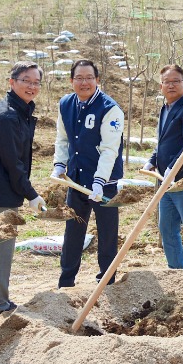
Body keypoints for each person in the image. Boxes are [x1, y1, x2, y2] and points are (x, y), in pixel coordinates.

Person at [0, 61, 46, 320]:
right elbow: (12, 163)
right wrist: (31, 194)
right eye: (26, 80)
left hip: (7, 189)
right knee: (1, 248)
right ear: (12, 82)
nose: (31, 86)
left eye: (36, 82)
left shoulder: (21, 112)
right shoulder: (6, 117)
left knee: (3, 247)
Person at [53, 59, 125, 287]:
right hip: (76, 180)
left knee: (106, 232)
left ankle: (106, 279)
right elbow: (63, 139)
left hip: (104, 183)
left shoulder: (109, 108)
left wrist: (100, 181)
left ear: (97, 80)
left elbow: (109, 149)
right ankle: (66, 281)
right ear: (71, 80)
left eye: (89, 78)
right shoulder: (65, 104)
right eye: (79, 78)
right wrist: (59, 165)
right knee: (73, 230)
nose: (84, 82)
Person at [144, 64, 183, 269]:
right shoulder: (165, 108)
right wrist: (152, 159)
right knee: (167, 229)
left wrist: (171, 168)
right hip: (164, 182)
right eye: (167, 82)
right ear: (161, 86)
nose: (171, 85)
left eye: (176, 81)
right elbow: (162, 141)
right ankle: (176, 270)